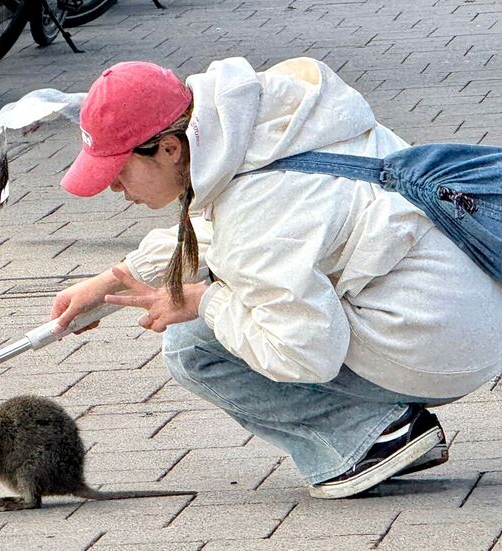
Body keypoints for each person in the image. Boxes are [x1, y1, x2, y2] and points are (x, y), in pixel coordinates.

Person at [50, 58, 502, 499]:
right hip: (470, 301)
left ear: (170, 149)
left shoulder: (257, 212)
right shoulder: (269, 119)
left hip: (432, 347)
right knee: (239, 294)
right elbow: (239, 226)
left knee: (192, 344)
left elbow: (306, 353)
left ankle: (372, 439)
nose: (113, 188)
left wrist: (204, 303)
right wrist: (114, 281)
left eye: (118, 170)